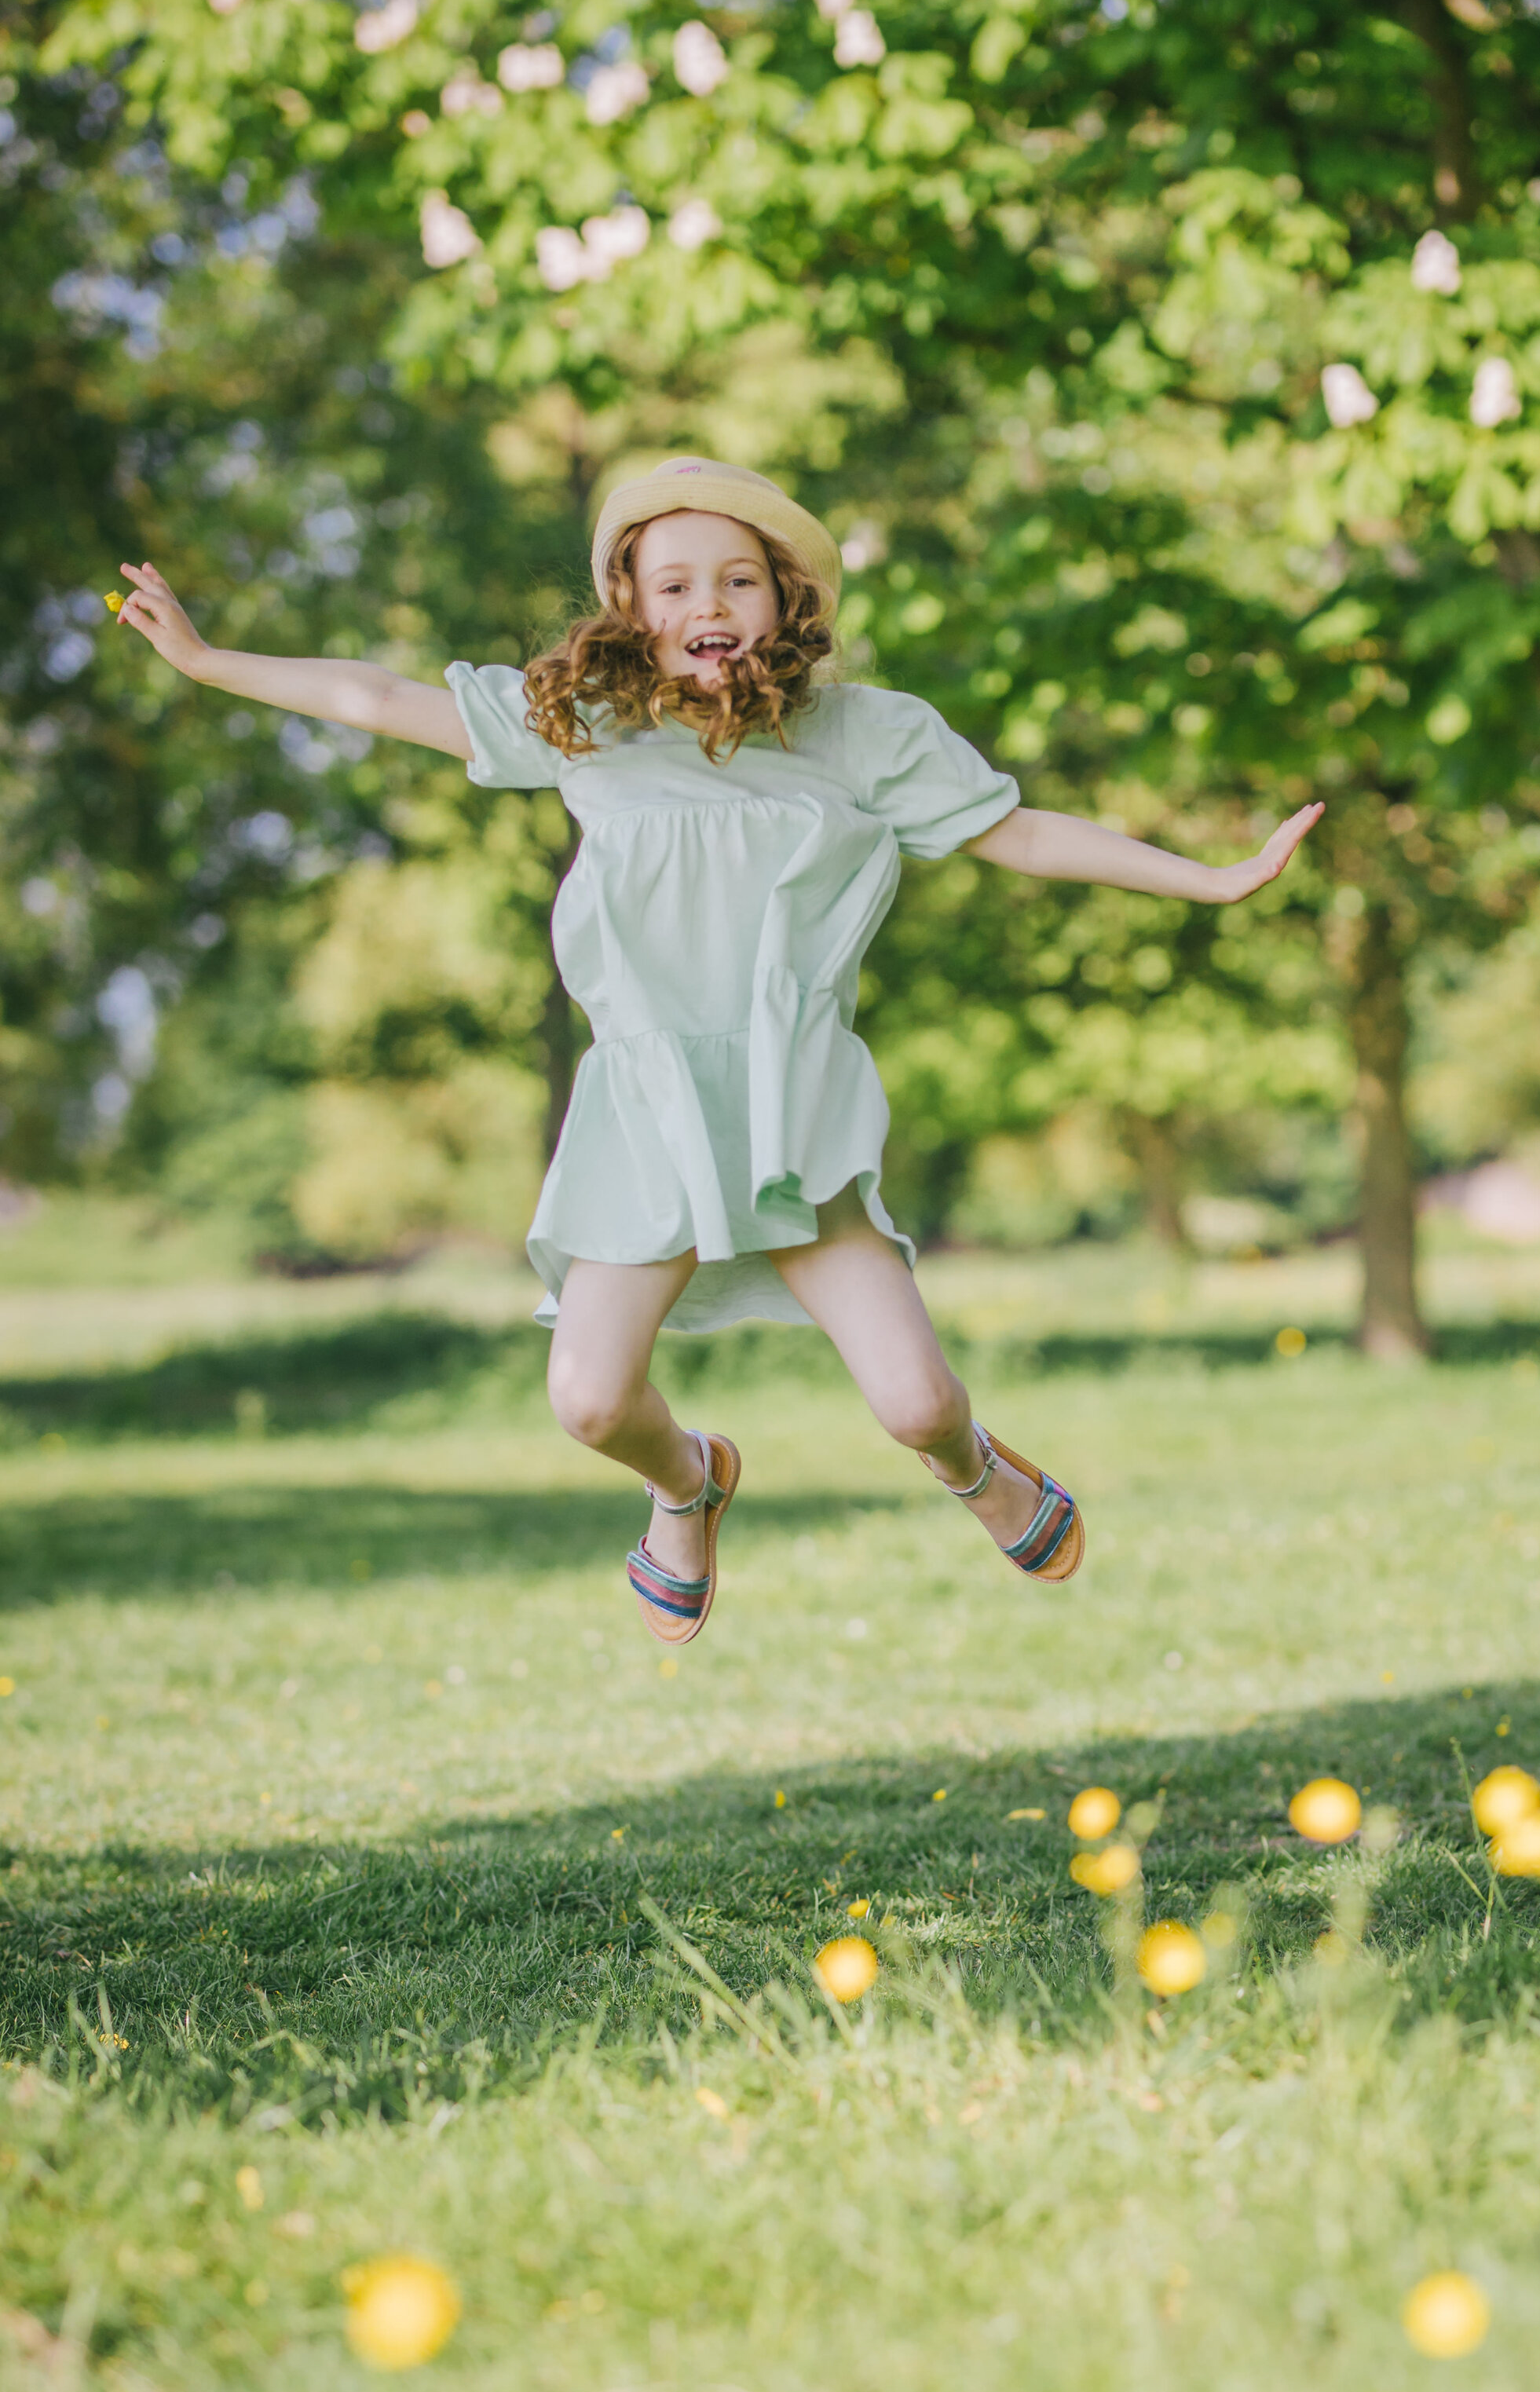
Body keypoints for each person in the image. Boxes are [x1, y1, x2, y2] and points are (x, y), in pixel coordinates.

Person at [112, 456, 1322, 1645]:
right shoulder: (585, 724)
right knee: (589, 1400)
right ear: (631, 606)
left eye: (739, 581)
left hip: (792, 1107)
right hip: (649, 1110)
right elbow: (382, 697)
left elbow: (1024, 832)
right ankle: (688, 1483)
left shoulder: (863, 735)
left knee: (919, 1403)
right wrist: (211, 662)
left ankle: (977, 1470)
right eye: (677, 583)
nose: (709, 607)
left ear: (785, 602)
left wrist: (1209, 877)